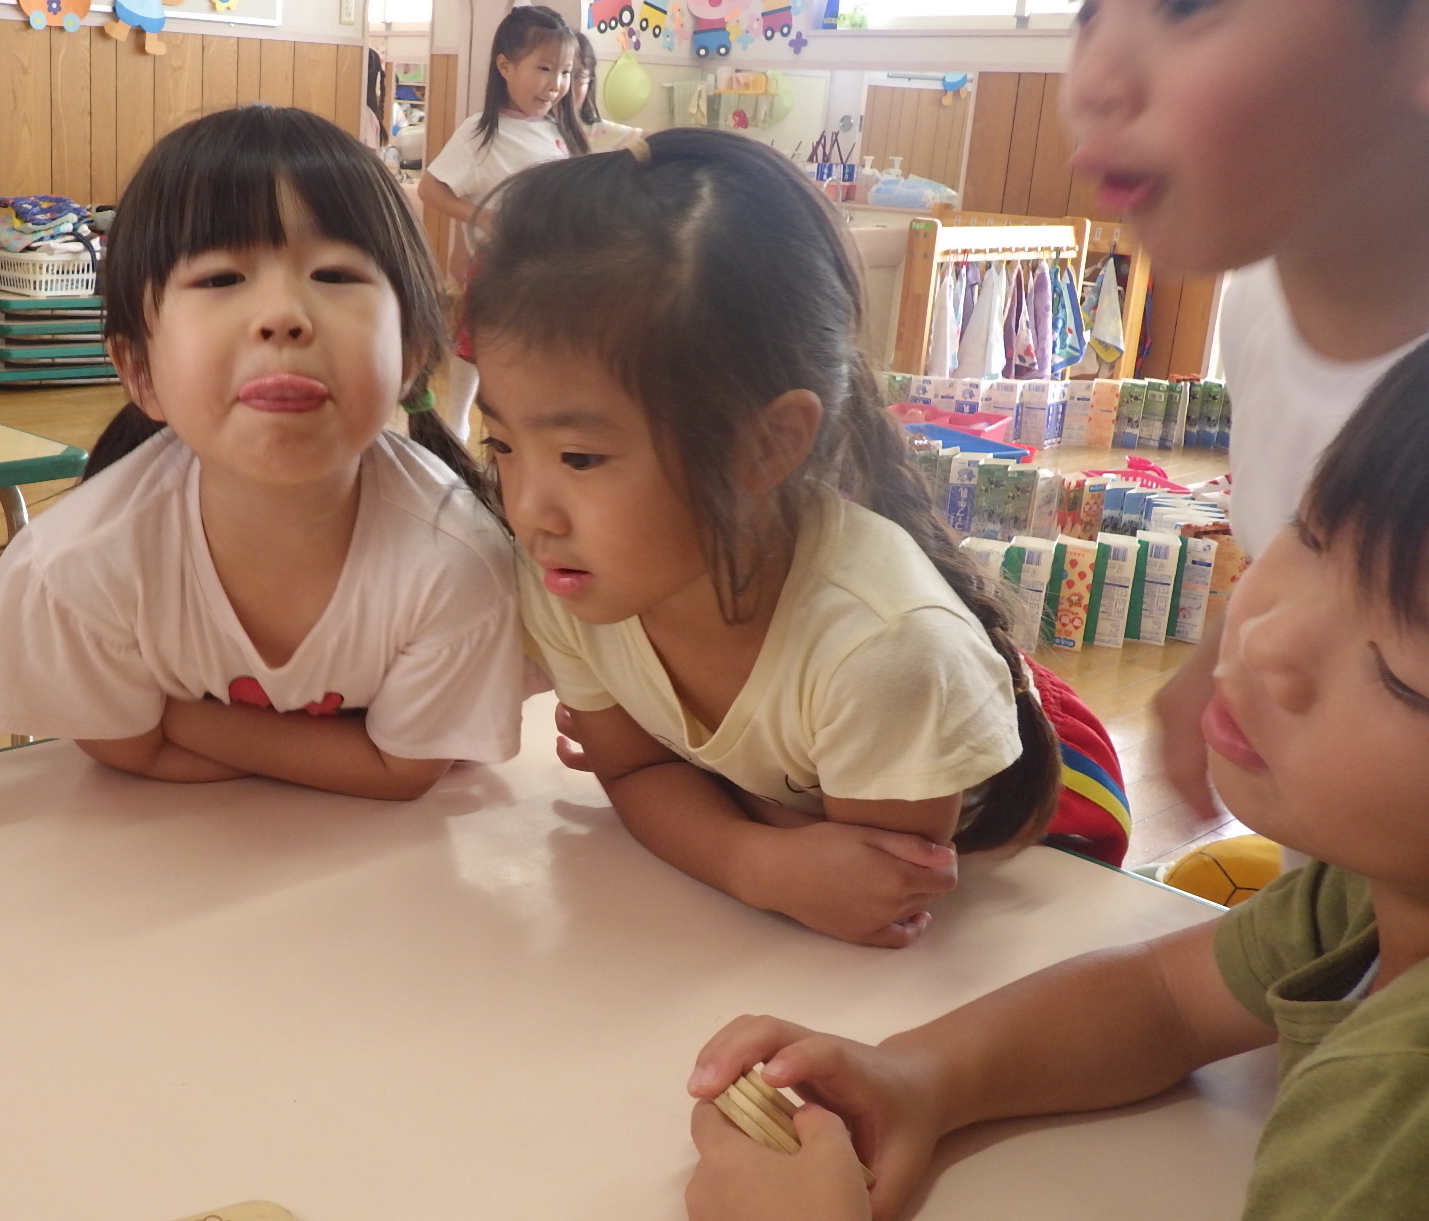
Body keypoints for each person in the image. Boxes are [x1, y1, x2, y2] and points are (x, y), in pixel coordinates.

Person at [683, 334, 1429, 1221]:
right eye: (1311, 534)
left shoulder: (1397, 1116)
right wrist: (919, 1076)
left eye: (1400, 672)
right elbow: (1165, 1000)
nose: (1267, 640)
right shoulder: (1375, 890)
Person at [470, 130, 1111, 950]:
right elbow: (637, 771)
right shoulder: (573, 572)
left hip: (1048, 830)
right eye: (502, 445)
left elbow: (873, 889)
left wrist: (715, 812)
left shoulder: (884, 653)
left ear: (767, 447)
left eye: (581, 458)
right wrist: (753, 858)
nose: (530, 510)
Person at [0, 106, 525, 801]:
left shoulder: (456, 560)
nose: (282, 316)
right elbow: (122, 749)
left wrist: (169, 719)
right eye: (220, 279)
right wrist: (346, 753)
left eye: (335, 274)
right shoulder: (80, 562)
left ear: (411, 356)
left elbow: (403, 774)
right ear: (140, 371)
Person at [1055, 0, 1429, 823]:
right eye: (1087, 4)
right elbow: (1310, 546)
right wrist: (1216, 654)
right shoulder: (1262, 300)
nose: (1092, 80)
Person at [418, 4, 583, 434]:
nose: (556, 84)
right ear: (505, 67)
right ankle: (458, 426)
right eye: (544, 68)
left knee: (534, 361)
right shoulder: (481, 131)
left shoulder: (556, 129)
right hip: (502, 269)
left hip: (550, 271)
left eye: (565, 72)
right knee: (477, 354)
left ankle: (518, 430)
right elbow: (432, 188)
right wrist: (480, 220)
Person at [565, 31, 645, 152]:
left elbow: (658, 139)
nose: (567, 87)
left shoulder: (597, 130)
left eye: (578, 77)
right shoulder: (537, 129)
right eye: (564, 73)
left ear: (590, 81)